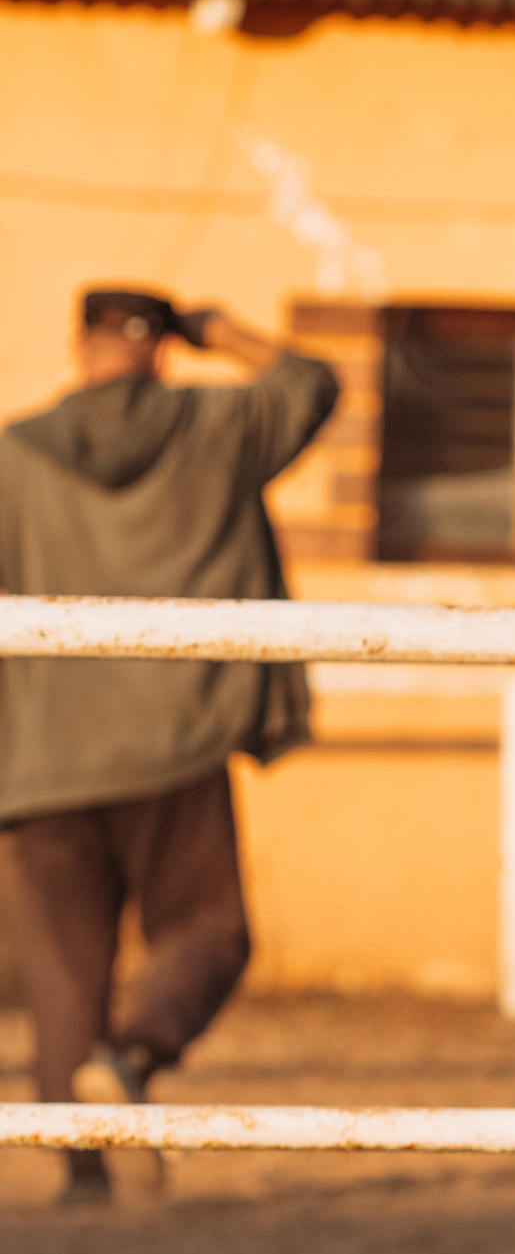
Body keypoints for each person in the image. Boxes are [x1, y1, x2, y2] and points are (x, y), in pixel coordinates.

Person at [0, 287, 339, 1201]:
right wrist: (225, 336)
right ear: (164, 348)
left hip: (40, 755)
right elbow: (312, 383)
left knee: (65, 971)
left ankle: (81, 1176)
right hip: (177, 738)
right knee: (209, 932)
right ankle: (134, 1056)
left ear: (81, 344)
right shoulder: (218, 428)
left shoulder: (12, 456)